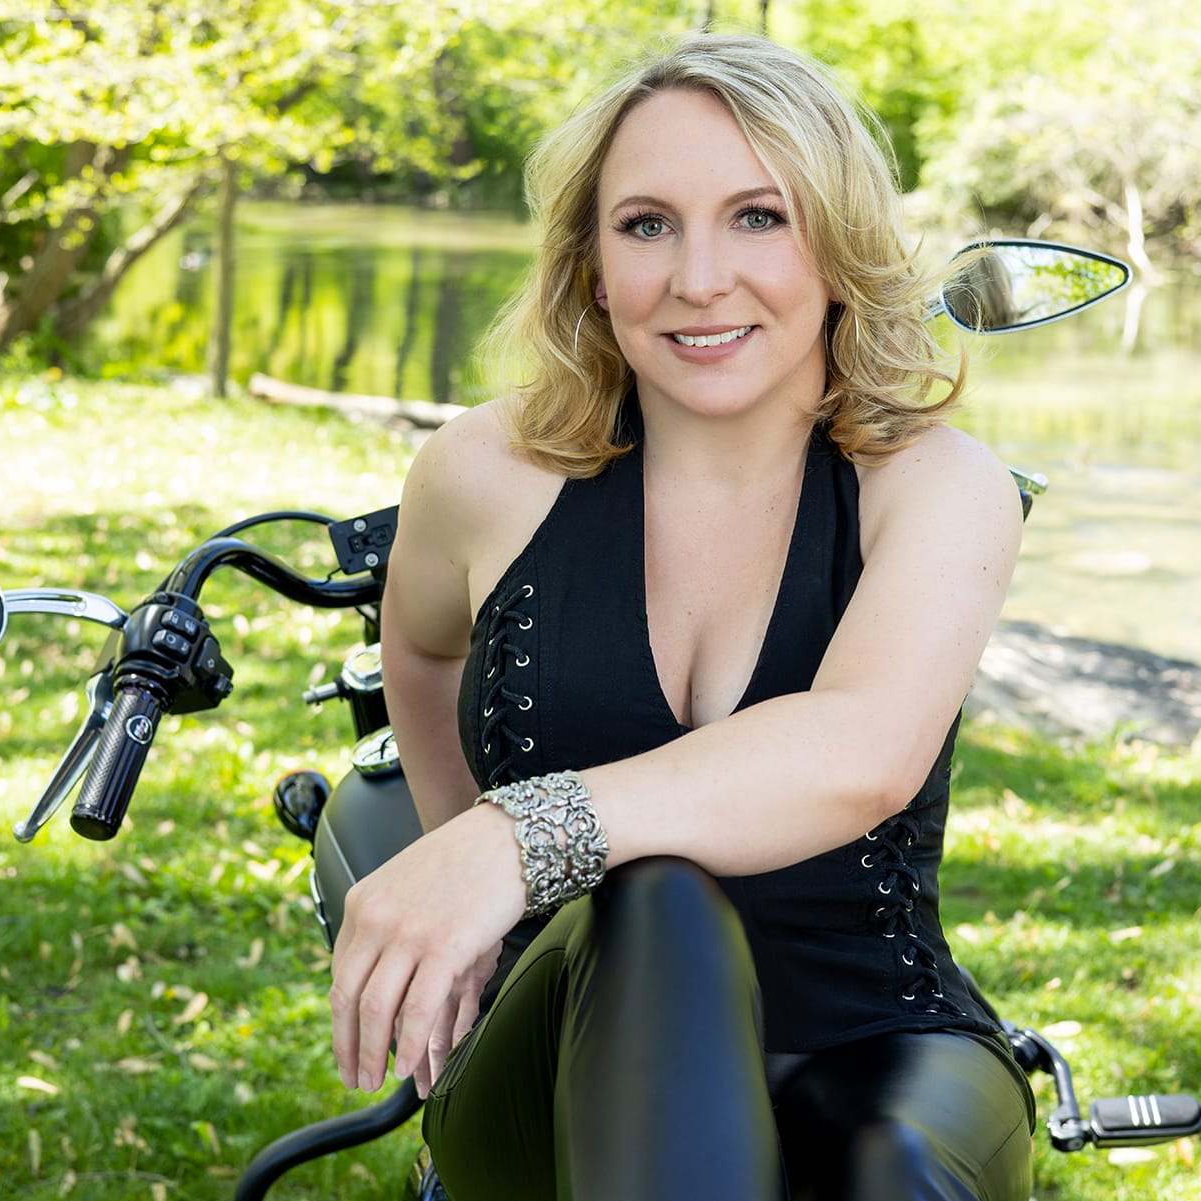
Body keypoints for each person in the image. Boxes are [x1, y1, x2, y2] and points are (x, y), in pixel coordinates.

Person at [328, 32, 1032, 1201]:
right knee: (650, 900)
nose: (700, 277)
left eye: (759, 216)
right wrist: (463, 859)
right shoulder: (482, 476)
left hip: (872, 1036)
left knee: (894, 1174)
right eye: (647, 224)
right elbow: (421, 646)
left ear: (841, 244)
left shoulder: (936, 484)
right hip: (561, 1047)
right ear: (593, 265)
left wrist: (508, 836)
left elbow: (860, 751)